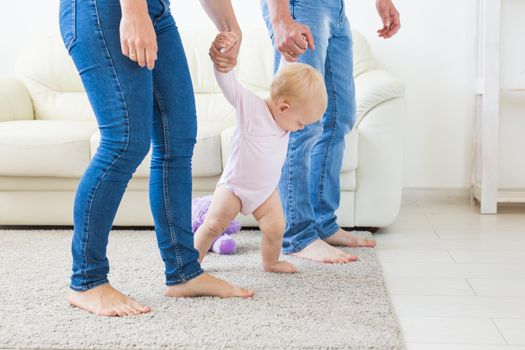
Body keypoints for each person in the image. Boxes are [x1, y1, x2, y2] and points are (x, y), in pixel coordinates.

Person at [58, 0, 253, 317]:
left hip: (157, 10)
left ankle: (184, 272)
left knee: (178, 138)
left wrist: (231, 28)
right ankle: (87, 281)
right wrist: (133, 12)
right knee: (125, 141)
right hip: (102, 8)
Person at [249, 0, 400, 263]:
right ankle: (297, 235)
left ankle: (322, 223)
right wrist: (281, 18)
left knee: (338, 117)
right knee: (300, 120)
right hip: (299, 6)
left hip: (336, 8)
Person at [195, 32, 329, 271]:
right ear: (283, 107)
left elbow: (285, 80)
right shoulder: (252, 108)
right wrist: (223, 63)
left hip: (265, 191)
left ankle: (271, 261)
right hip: (234, 187)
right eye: (301, 123)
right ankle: (191, 263)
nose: (301, 129)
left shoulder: (284, 115)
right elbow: (230, 86)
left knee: (276, 227)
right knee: (213, 225)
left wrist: (289, 57)